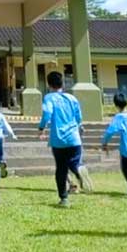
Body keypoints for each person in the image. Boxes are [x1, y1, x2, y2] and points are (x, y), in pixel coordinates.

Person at [38, 71, 91, 207]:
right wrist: (79, 127)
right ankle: (79, 169)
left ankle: (64, 199)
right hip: (74, 138)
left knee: (61, 169)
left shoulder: (49, 98)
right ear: (62, 84)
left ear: (49, 84)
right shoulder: (72, 98)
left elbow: (47, 113)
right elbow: (79, 117)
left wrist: (41, 127)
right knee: (74, 162)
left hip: (58, 139)